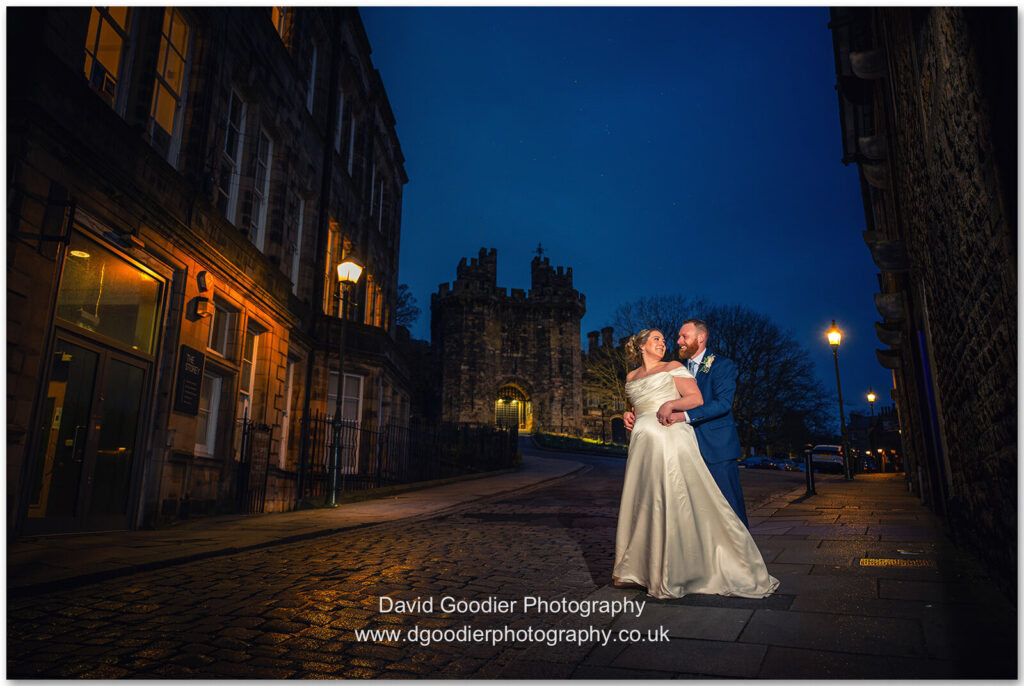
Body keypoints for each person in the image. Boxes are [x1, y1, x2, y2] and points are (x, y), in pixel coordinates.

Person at [613, 328, 778, 599]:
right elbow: (639, 405)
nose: (665, 343)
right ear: (641, 345)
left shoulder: (673, 366)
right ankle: (644, 568)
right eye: (657, 339)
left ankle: (684, 568)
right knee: (646, 501)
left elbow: (697, 399)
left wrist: (671, 405)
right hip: (642, 446)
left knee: (676, 499)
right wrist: (627, 414)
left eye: (665, 339)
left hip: (671, 440)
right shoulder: (631, 376)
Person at [624, 319, 748, 527]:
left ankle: (742, 548)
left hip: (715, 446)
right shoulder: (676, 367)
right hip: (679, 448)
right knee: (694, 512)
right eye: (678, 337)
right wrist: (631, 412)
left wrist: (684, 415)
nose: (678, 341)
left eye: (684, 337)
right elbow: (651, 400)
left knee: (729, 508)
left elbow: (723, 404)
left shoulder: (721, 365)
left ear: (701, 338)